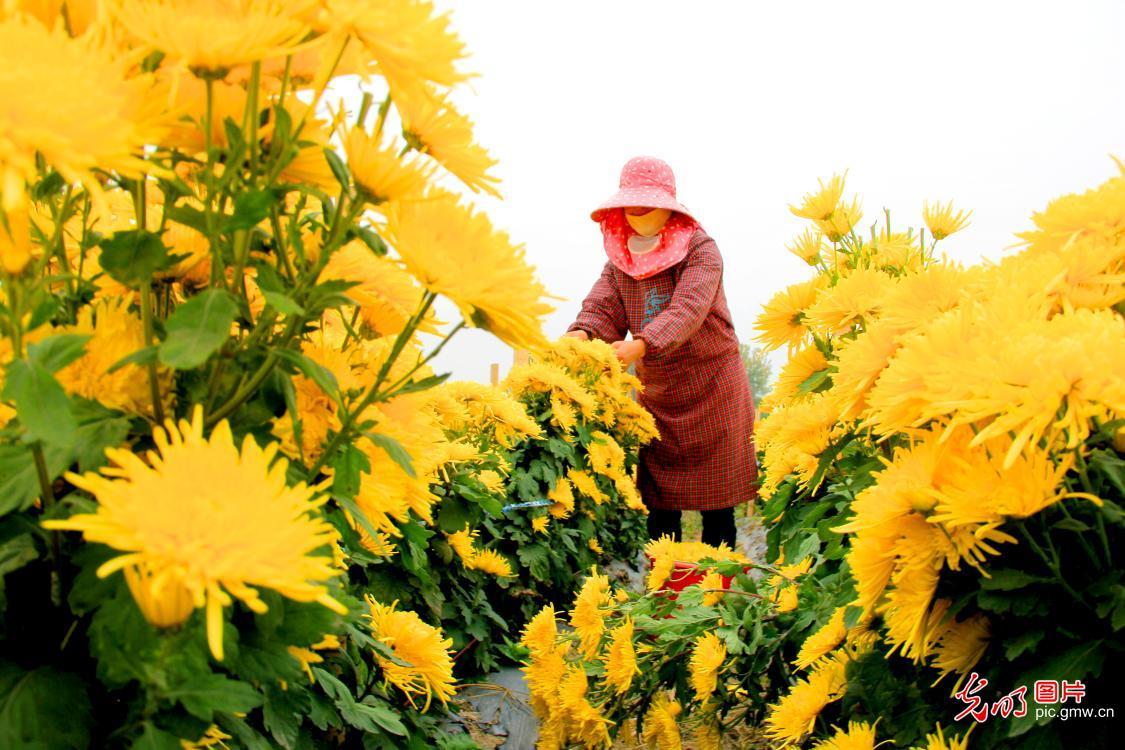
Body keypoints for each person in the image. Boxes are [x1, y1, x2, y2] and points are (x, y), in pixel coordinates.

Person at [566, 156, 758, 548]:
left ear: (668, 205)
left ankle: (715, 595)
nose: (637, 212)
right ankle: (665, 591)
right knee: (660, 505)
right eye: (631, 204)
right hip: (660, 393)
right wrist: (582, 336)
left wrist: (640, 344)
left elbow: (688, 307)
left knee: (717, 508)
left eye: (646, 203)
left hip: (713, 387)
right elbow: (603, 307)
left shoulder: (702, 250)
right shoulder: (621, 259)